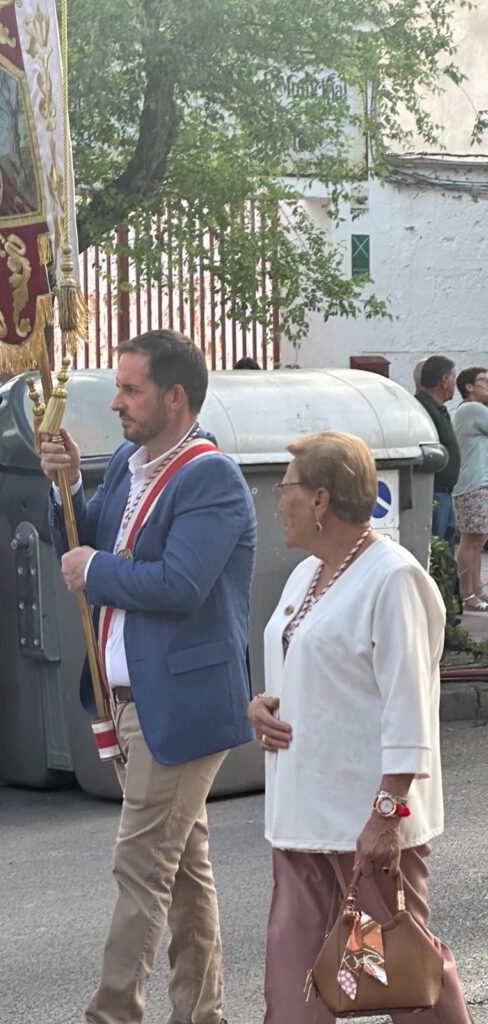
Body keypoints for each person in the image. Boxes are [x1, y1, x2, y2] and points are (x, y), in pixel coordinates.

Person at [40, 329, 256, 1024]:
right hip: (136, 701)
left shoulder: (208, 475)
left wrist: (95, 571)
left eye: (130, 389)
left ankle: (112, 1014)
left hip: (181, 704)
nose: (117, 403)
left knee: (140, 869)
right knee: (183, 874)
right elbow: (90, 538)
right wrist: (69, 487)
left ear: (175, 396)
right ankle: (203, 1013)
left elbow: (181, 583)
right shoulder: (133, 460)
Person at [248, 431, 473, 1024]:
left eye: (288, 487)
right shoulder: (308, 575)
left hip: (364, 830)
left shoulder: (392, 577)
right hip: (302, 823)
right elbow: (310, 664)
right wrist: (264, 706)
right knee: (294, 988)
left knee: (399, 974)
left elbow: (408, 704)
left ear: (321, 500)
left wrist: (387, 814)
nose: (278, 500)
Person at [452, 367, 488, 612]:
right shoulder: (472, 409)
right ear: (469, 387)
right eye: (484, 381)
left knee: (479, 537)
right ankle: (467, 594)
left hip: (479, 482)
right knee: (471, 539)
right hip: (473, 483)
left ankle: (477, 589)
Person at [415, 355, 460, 549]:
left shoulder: (438, 408)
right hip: (433, 492)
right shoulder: (424, 408)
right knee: (437, 549)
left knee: (447, 548)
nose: (454, 385)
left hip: (444, 492)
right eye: (453, 379)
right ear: (444, 380)